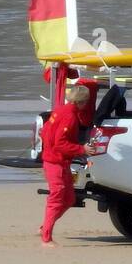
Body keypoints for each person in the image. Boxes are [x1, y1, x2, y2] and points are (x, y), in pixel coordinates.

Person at [39, 84, 94, 247]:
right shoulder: (69, 116)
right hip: (54, 162)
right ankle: (46, 238)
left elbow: (44, 131)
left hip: (60, 161)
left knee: (69, 198)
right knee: (57, 197)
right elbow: (60, 143)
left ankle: (44, 227)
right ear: (82, 102)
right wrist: (81, 149)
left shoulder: (60, 110)